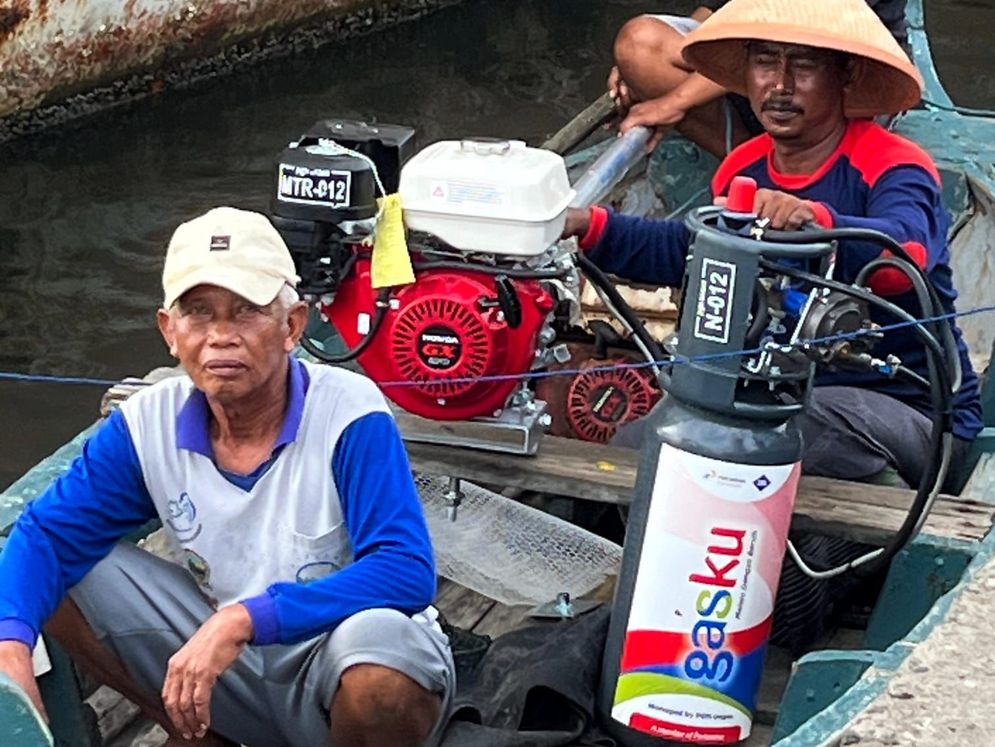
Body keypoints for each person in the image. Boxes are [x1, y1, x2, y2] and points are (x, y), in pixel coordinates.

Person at [0, 207, 454, 747]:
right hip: (232, 665)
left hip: (332, 654)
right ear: (169, 332)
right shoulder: (147, 423)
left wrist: (243, 619)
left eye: (246, 312)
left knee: (378, 677)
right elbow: (46, 536)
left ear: (293, 326)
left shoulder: (349, 412)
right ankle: (194, 731)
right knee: (55, 567)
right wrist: (12, 650)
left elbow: (405, 569)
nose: (220, 336)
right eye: (198, 313)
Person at [563, 0, 983, 491]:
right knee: (635, 450)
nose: (779, 85)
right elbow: (691, 249)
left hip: (913, 413)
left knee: (787, 434)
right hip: (777, 397)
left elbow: (900, 259)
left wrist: (814, 221)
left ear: (845, 76)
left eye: (803, 66)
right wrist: (585, 225)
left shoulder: (894, 164)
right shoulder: (744, 167)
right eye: (765, 62)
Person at [608, 0, 909, 155]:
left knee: (804, 62)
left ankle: (804, 169)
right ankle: (751, 164)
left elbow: (815, 28)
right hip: (757, 48)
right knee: (639, 44)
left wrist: (673, 102)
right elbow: (714, 12)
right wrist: (636, 68)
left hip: (844, 64)